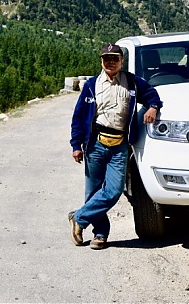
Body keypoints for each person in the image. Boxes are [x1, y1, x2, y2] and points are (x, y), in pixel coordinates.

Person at [68, 43, 163, 250]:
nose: (110, 62)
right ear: (101, 61)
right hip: (95, 143)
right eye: (106, 59)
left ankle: (79, 217)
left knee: (114, 190)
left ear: (121, 61)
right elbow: (79, 116)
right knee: (93, 192)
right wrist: (76, 144)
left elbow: (151, 94)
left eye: (115, 58)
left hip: (120, 144)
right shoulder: (92, 85)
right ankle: (100, 234)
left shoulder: (131, 82)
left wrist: (153, 107)